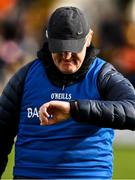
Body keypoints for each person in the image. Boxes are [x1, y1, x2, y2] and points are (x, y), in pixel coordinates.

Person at [0, 6, 135, 180]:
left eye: (73, 47)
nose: (67, 56)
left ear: (88, 38)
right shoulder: (25, 77)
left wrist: (74, 110)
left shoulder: (103, 76)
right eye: (60, 47)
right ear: (48, 38)